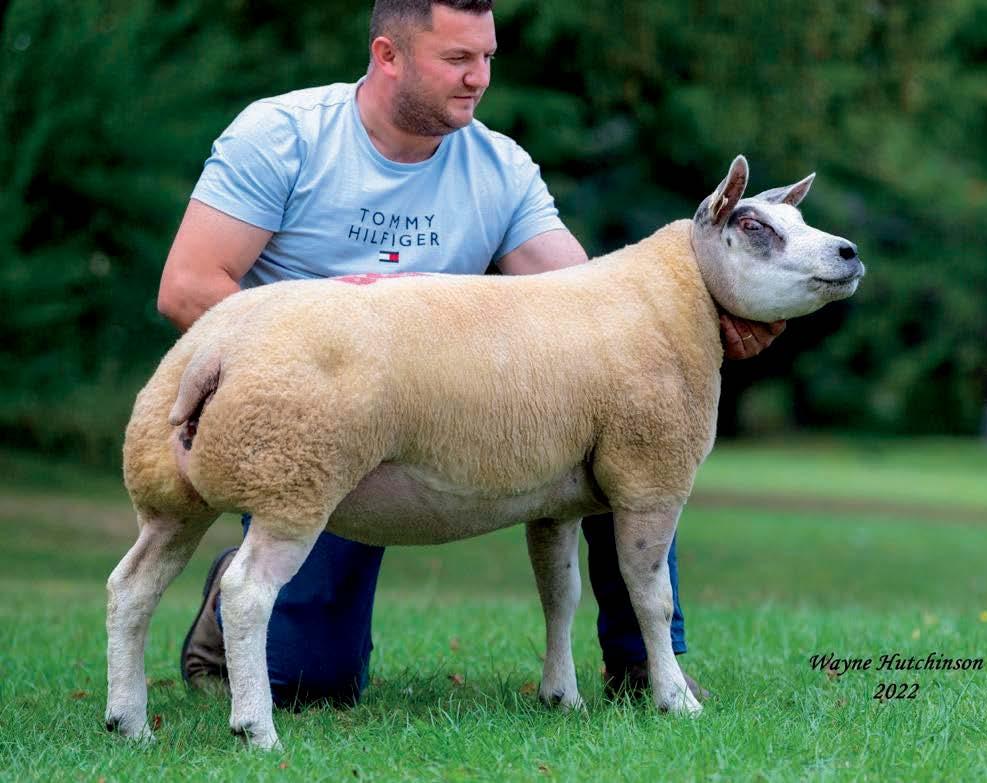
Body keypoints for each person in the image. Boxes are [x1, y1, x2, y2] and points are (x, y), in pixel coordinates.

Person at [160, 0, 784, 709]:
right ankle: (234, 589)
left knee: (633, 408)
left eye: (487, 57)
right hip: (319, 424)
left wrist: (714, 314)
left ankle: (645, 663)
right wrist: (317, 370)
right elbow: (188, 288)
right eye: (457, 59)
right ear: (387, 55)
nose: (479, 77)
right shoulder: (282, 137)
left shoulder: (499, 167)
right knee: (311, 683)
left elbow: (603, 320)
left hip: (438, 425)